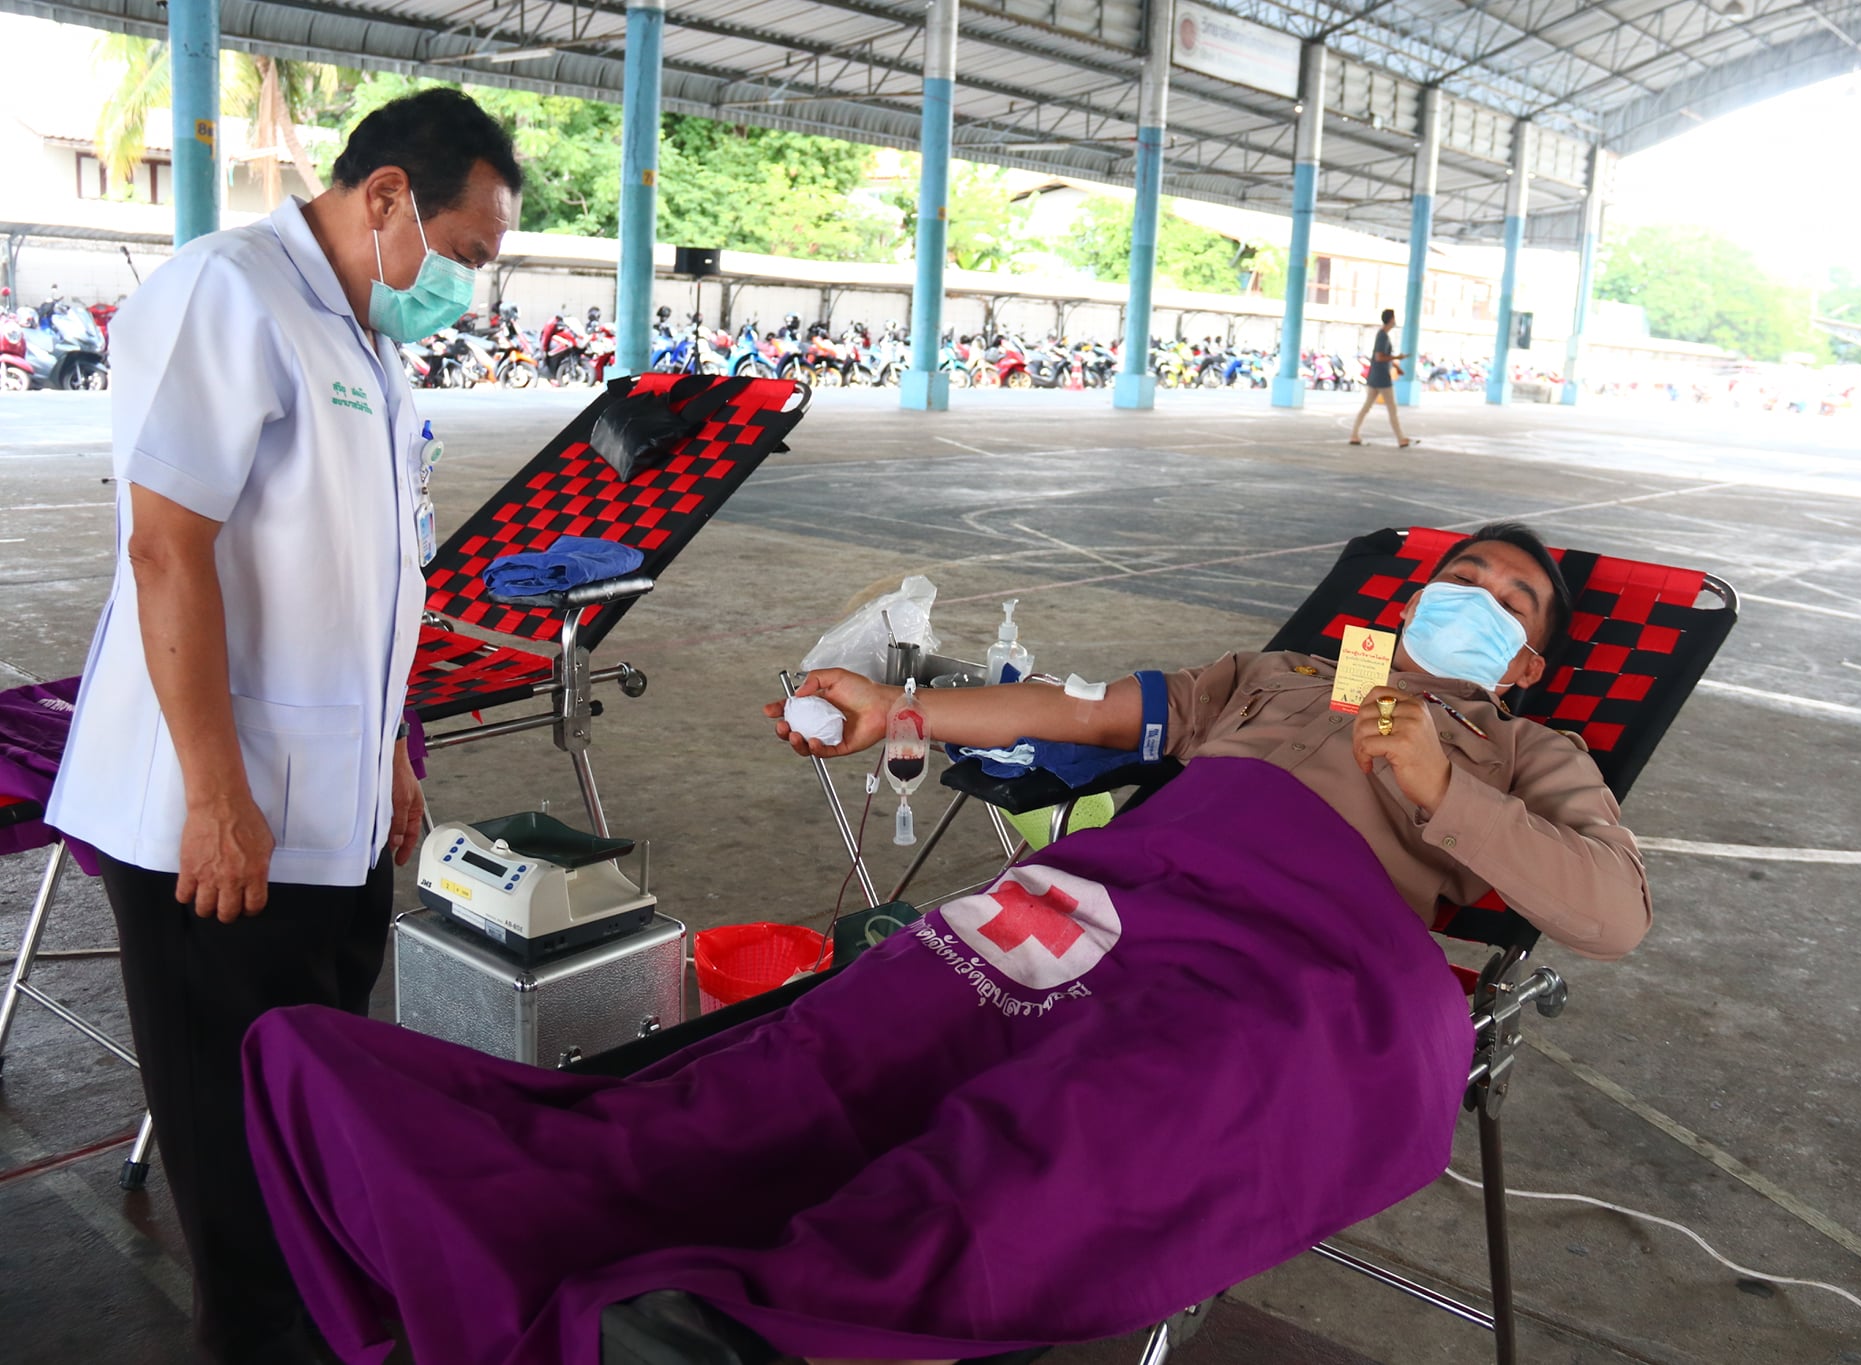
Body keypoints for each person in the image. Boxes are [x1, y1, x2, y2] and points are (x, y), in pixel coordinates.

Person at [238, 523, 1648, 1365]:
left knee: (1086, 1126)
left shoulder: (1529, 755)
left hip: (1291, 958)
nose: (1475, 599)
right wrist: (895, 716)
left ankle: (775, 1330)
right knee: (836, 1044)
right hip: (1125, 888)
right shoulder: (1290, 677)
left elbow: (1609, 908)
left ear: (1526, 662)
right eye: (1460, 574)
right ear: (1406, 600)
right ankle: (542, 1195)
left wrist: (1442, 792)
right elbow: (1083, 714)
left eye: (1509, 602)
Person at [45, 88, 521, 1364]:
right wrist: (213, 796)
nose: (467, 288)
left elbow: (366, 575)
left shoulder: (363, 337)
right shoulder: (231, 294)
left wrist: (391, 758)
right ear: (386, 197)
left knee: (314, 1130)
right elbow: (167, 547)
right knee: (239, 1167)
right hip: (219, 826)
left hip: (330, 816)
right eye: (464, 254)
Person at [1349, 306, 1411, 448]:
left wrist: (1396, 366)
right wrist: (1397, 357)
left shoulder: (1382, 335)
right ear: (1391, 319)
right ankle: (1401, 438)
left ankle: (1354, 434)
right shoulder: (1383, 336)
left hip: (1374, 377)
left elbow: (1383, 356)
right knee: (1392, 410)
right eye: (1394, 318)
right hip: (1382, 379)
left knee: (1366, 407)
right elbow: (1379, 357)